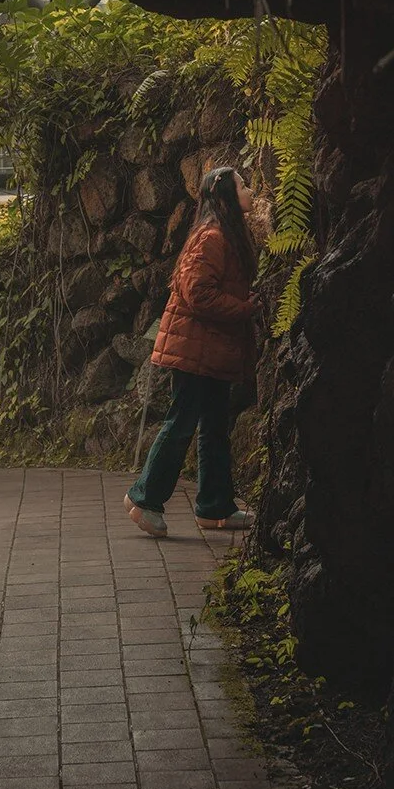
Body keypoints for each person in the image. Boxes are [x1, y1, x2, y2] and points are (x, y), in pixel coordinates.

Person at [124, 166, 262, 537]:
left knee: (214, 428)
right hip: (193, 350)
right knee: (182, 423)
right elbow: (198, 293)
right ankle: (144, 499)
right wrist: (244, 308)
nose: (249, 190)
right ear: (225, 194)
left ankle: (215, 508)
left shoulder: (225, 234)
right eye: (243, 185)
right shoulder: (212, 236)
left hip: (210, 350)